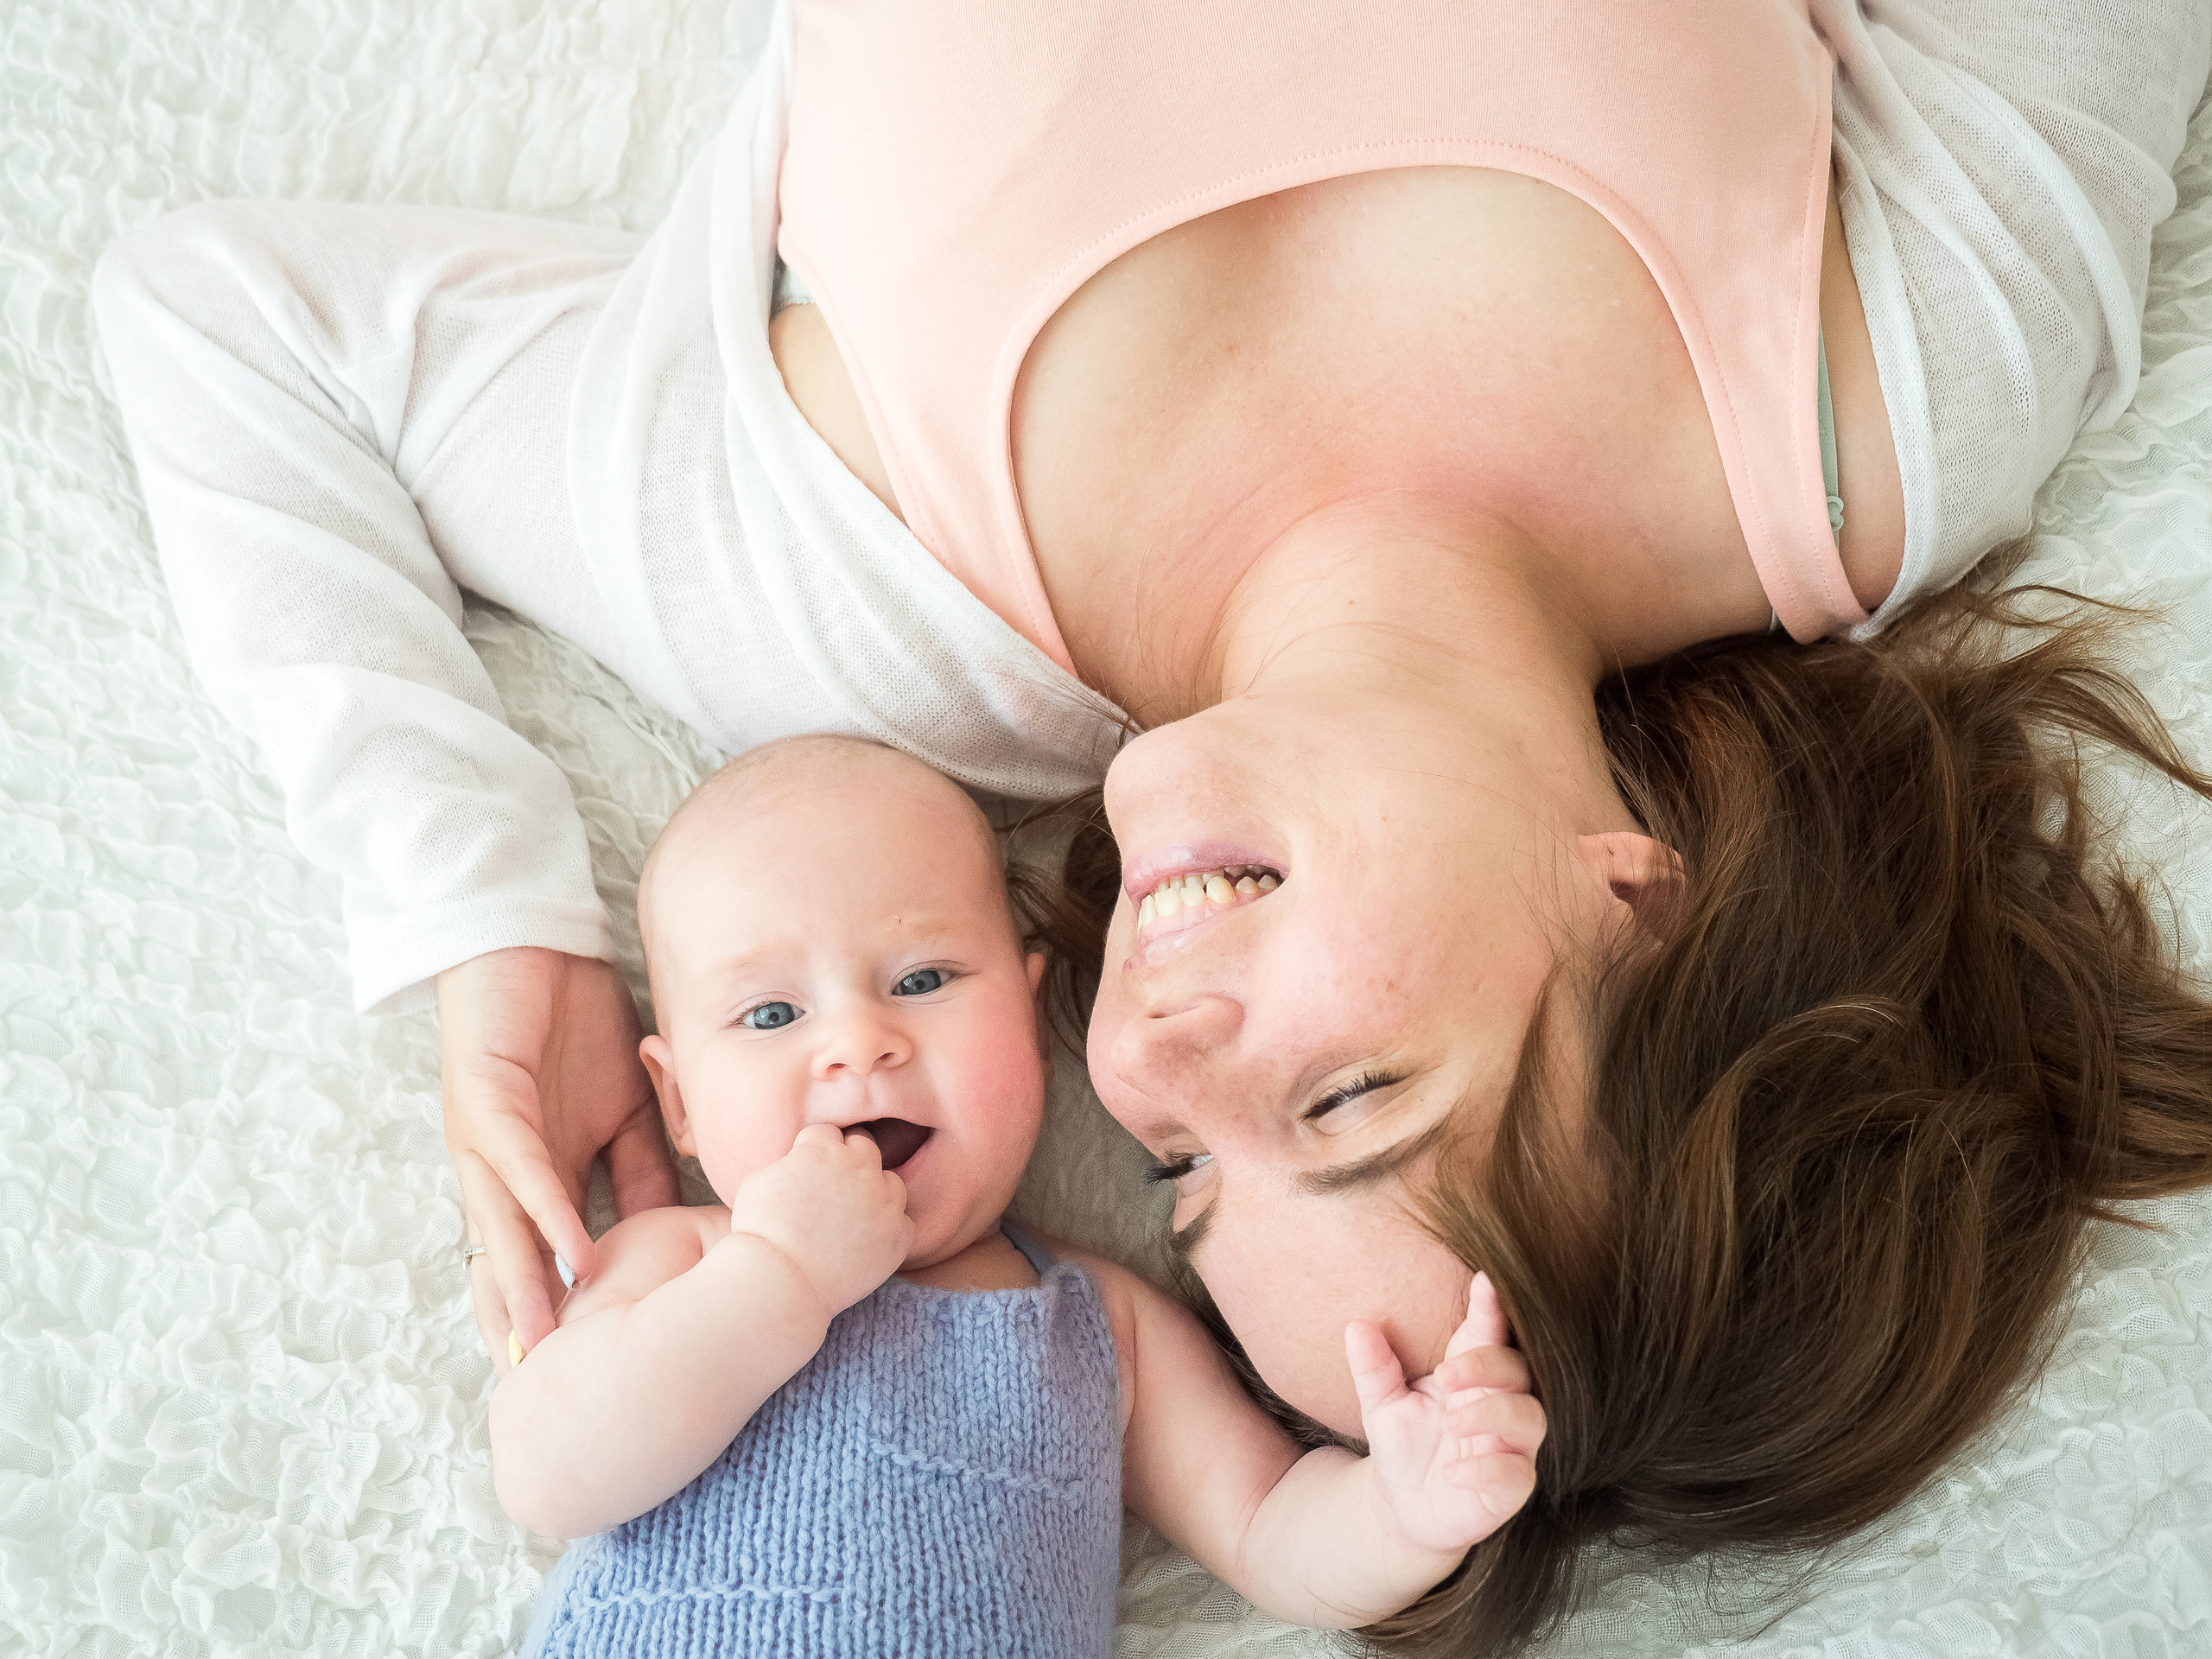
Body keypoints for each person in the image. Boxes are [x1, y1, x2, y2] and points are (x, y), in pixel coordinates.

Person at [86, 0, 2212, 1648]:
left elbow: (232, 329)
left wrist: (490, 920)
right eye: (1351, 1093)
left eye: (1181, 1173)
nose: (1142, 1055)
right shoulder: (1890, 410)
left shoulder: (839, 605)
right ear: (1644, 906)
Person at [494, 735, 1541, 1656]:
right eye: (770, 1016)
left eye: (922, 980)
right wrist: (782, 1276)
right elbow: (548, 1473)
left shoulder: (1100, 1325)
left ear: (1033, 1019)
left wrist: (1404, 1513)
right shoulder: (679, 1258)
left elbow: (1267, 1524)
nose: (859, 1042)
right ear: (678, 1103)